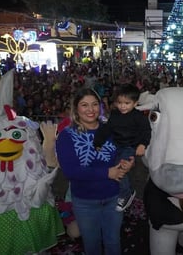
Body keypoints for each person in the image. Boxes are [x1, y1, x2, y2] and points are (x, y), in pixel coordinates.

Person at [56, 88, 135, 255]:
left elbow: (123, 152)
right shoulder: (67, 135)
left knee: (114, 243)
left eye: (94, 104)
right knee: (92, 246)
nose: (90, 110)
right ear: (76, 108)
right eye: (84, 105)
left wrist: (128, 163)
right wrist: (106, 173)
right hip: (85, 202)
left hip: (114, 198)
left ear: (100, 106)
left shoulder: (112, 130)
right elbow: (70, 171)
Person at [93, 83, 151, 212]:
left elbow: (147, 131)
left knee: (120, 168)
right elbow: (106, 129)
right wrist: (98, 142)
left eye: (127, 103)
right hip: (116, 146)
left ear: (135, 103)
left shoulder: (139, 117)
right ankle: (119, 191)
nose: (122, 106)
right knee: (113, 167)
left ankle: (126, 193)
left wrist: (142, 144)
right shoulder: (115, 115)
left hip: (130, 147)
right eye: (119, 102)